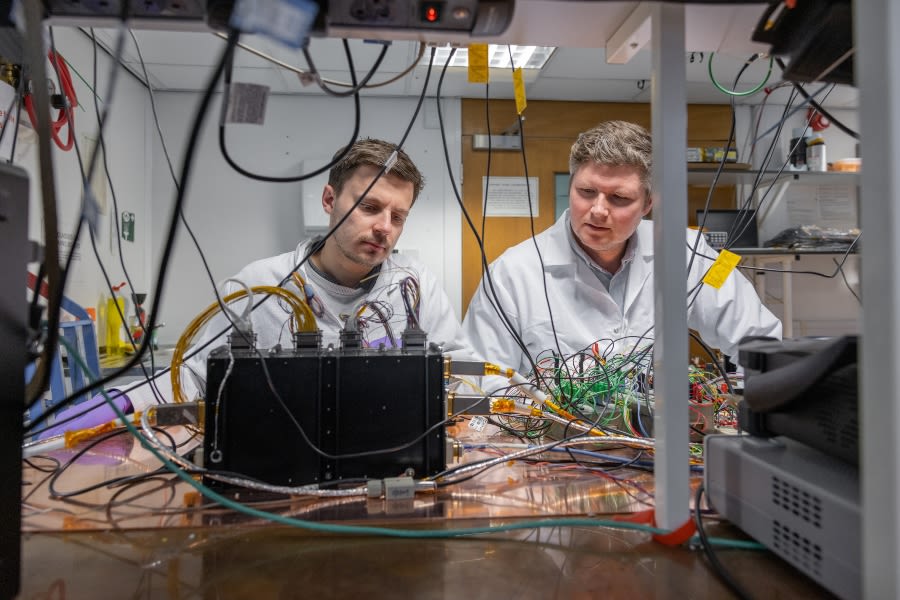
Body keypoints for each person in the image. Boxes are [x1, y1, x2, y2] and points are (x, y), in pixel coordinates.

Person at [461, 120, 782, 377]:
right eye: (586, 191)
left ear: (648, 204)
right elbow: (479, 379)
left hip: (655, 442)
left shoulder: (689, 253)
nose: (598, 210)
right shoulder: (511, 273)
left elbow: (757, 339)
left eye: (619, 198)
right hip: (552, 444)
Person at [161, 138, 466, 404]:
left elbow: (464, 380)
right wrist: (117, 404)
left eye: (398, 217)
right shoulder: (259, 285)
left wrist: (486, 428)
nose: (384, 227)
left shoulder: (415, 287)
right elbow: (193, 379)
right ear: (329, 200)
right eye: (369, 207)